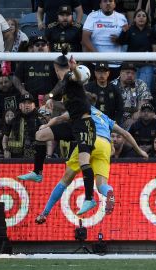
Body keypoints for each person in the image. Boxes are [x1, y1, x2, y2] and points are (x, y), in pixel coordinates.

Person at [35, 106, 148, 224]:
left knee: (65, 181)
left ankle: (45, 213)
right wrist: (140, 151)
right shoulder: (106, 118)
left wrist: (46, 126)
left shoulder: (83, 108)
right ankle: (109, 191)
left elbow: (59, 118)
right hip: (105, 145)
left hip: (88, 141)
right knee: (101, 185)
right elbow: (125, 133)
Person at [17, 53, 97, 215]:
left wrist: (74, 69)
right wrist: (52, 100)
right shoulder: (65, 84)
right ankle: (37, 173)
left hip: (85, 125)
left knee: (83, 162)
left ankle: (90, 198)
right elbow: (61, 96)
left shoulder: (70, 77)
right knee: (41, 135)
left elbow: (78, 78)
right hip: (73, 124)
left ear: (55, 68)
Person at [82, 0, 128, 77]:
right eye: (105, 1)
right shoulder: (92, 16)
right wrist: (97, 54)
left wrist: (119, 39)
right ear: (100, 4)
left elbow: (127, 39)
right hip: (96, 62)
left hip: (115, 63)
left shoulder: (122, 18)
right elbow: (85, 38)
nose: (108, 3)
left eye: (110, 1)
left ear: (114, 4)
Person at [114, 9, 155, 90]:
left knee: (144, 89)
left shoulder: (151, 31)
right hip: (131, 66)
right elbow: (121, 42)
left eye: (144, 16)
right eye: (138, 16)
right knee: (130, 89)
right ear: (134, 19)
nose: (141, 18)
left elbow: (154, 48)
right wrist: (124, 32)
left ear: (147, 19)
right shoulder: (130, 30)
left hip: (146, 65)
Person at [2, 94, 47, 158]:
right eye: (24, 103)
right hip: (16, 157)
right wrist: (5, 150)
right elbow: (5, 138)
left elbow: (48, 139)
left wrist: (48, 155)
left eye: (29, 103)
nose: (27, 105)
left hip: (35, 156)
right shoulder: (14, 120)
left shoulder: (40, 119)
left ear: (33, 105)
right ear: (20, 106)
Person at [111, 62, 152, 129]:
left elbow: (143, 105)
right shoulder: (112, 85)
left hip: (134, 119)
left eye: (133, 73)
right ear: (121, 73)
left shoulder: (140, 84)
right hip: (116, 118)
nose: (130, 75)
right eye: (128, 72)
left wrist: (134, 118)